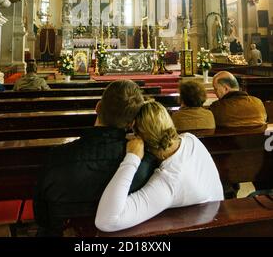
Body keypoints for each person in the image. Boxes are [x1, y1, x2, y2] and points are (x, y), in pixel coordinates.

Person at [33, 80, 157, 236]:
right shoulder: (144, 163)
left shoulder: (56, 158)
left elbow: (42, 217)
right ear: (132, 122)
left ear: (98, 107)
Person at [95, 100, 223, 232]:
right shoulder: (191, 139)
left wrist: (132, 158)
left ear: (140, 138)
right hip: (214, 220)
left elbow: (107, 221)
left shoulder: (168, 183)